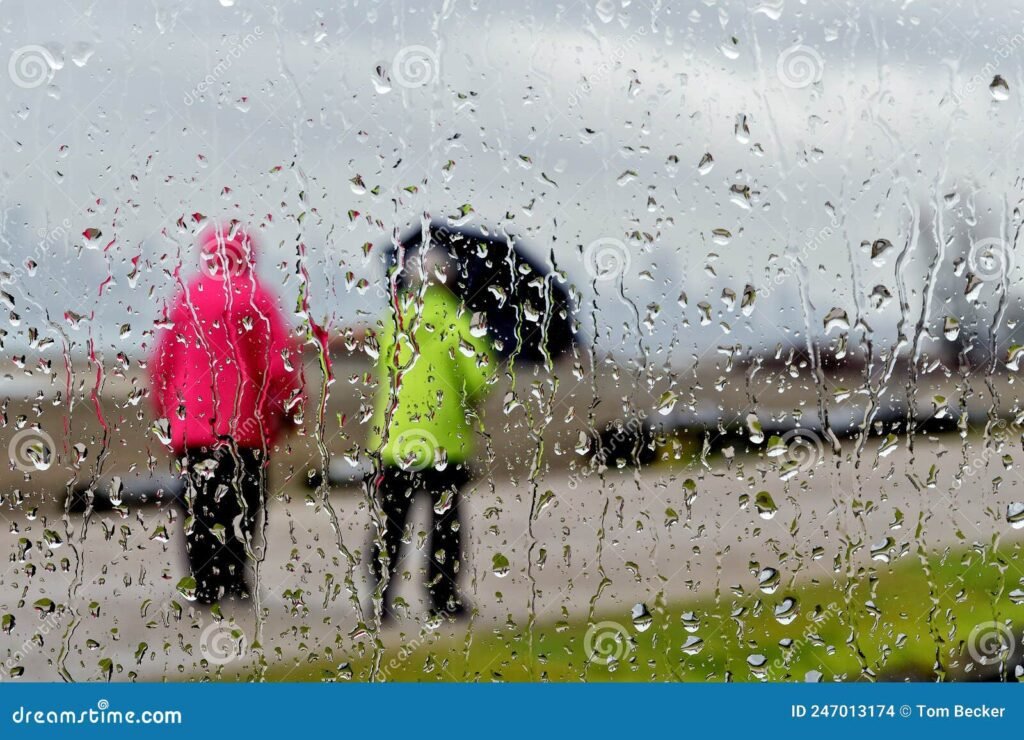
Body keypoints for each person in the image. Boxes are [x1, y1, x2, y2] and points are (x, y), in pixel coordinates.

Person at [149, 222, 303, 604]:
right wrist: (292, 408)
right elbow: (277, 364)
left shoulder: (186, 297)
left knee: (199, 504)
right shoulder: (256, 297)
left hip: (192, 427)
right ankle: (235, 577)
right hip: (244, 426)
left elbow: (162, 363)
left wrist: (165, 414)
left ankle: (204, 584)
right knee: (244, 503)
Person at [367, 246, 496, 622]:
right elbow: (481, 379)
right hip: (444, 442)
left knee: (390, 523)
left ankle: (380, 597)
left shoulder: (395, 317)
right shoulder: (458, 318)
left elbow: (383, 367)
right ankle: (442, 597)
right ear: (450, 278)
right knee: (445, 525)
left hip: (394, 441)